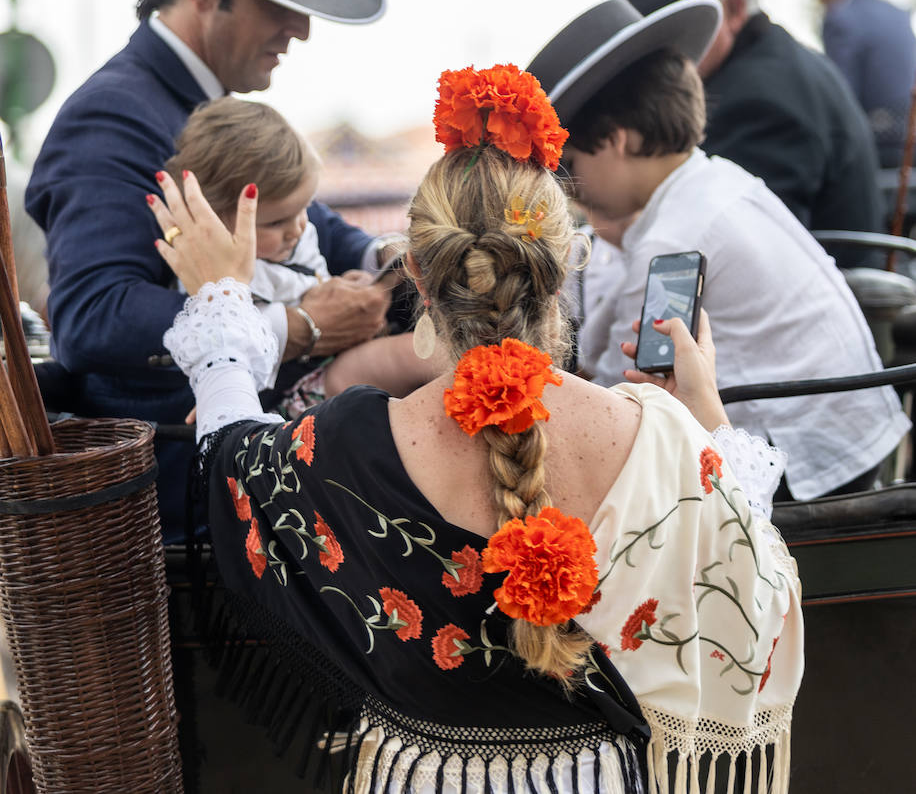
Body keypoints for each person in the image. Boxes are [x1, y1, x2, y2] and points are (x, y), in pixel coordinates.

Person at [150, 63, 802, 794]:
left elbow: (233, 454)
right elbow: (754, 567)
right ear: (562, 269)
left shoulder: (351, 441)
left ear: (420, 281)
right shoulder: (657, 436)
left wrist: (222, 306)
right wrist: (704, 411)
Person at [26, 0, 392, 538]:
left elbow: (309, 221)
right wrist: (297, 327)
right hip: (181, 508)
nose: (302, 29)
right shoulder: (111, 115)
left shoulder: (209, 108)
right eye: (279, 2)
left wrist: (391, 262)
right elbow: (92, 318)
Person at [527, 0, 910, 501]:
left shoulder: (673, 238)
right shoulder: (712, 180)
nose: (568, 188)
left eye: (569, 163)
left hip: (804, 465)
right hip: (846, 435)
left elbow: (618, 398)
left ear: (616, 140)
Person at [599, 0, 883, 239]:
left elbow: (732, 243)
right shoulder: (774, 65)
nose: (649, 57)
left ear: (733, 7)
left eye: (672, 27)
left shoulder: (758, 100)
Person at [165, 98, 435, 408]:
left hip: (332, 363)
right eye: (277, 222)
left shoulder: (292, 238)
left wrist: (347, 286)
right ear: (214, 220)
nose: (297, 228)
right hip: (289, 393)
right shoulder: (221, 278)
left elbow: (312, 277)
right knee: (415, 354)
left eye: (304, 209)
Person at [790, 0, 916, 168]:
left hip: (878, 146)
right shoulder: (896, 13)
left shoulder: (841, 18)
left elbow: (842, 96)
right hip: (908, 140)